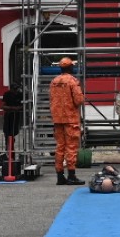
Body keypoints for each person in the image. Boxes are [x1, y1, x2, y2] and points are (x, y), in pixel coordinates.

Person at [49, 56, 85, 186]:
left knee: (60, 147)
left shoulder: (54, 81)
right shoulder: (72, 81)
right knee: (71, 147)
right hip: (70, 119)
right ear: (70, 67)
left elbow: (51, 99)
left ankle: (60, 175)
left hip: (57, 119)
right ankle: (71, 175)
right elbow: (79, 100)